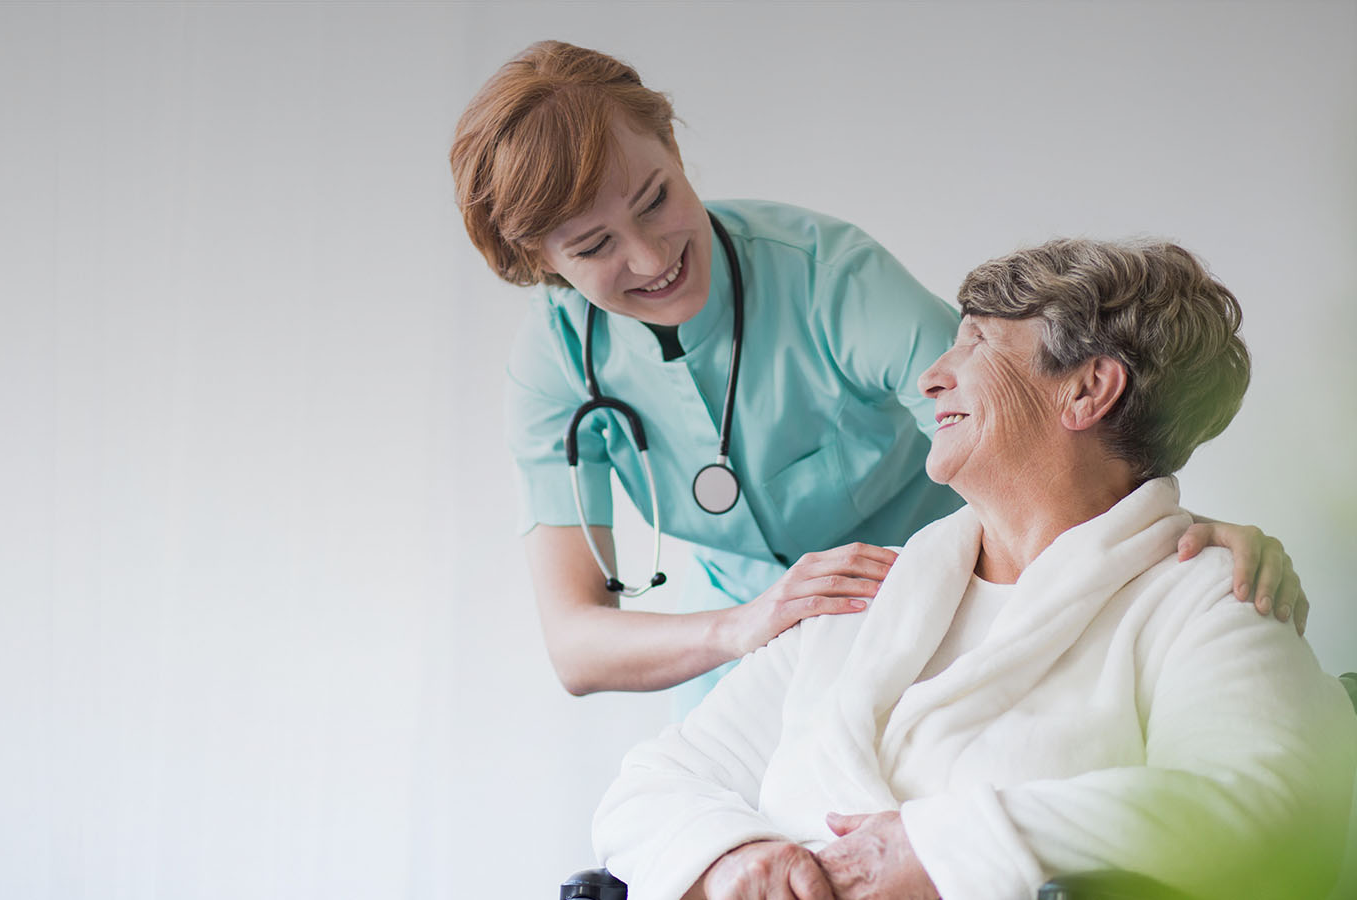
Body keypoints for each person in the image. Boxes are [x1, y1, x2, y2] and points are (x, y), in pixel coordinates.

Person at [448, 41, 1308, 708]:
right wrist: (746, 626)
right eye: (593, 247)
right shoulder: (555, 364)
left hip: (953, 616)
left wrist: (1179, 534)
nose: (650, 257)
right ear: (541, 263)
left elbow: (1035, 421)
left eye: (657, 200)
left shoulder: (829, 276)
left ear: (673, 146)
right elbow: (575, 646)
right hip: (746, 666)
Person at [591, 238, 1357, 900]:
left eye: (977, 343)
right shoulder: (865, 602)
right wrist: (733, 859)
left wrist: (942, 847)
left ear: (1088, 388)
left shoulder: (1204, 600)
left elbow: (1271, 810)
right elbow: (651, 785)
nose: (930, 378)